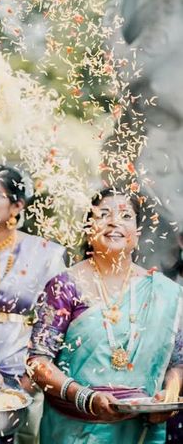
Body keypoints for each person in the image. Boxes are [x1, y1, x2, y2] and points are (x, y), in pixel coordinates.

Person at [25, 188, 183, 444]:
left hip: (139, 431)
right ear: (89, 227)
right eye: (104, 214)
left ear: (137, 233)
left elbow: (177, 360)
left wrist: (170, 396)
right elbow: (37, 362)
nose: (114, 221)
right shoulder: (64, 286)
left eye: (125, 216)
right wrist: (84, 397)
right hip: (73, 431)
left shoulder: (163, 292)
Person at [0, 165, 65, 444]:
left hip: (20, 374)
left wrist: (30, 381)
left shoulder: (44, 252)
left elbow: (56, 322)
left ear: (17, 205)